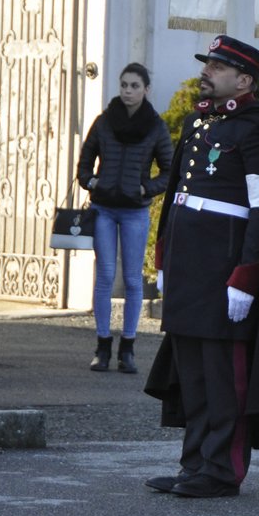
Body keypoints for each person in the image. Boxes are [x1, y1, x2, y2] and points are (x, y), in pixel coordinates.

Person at [142, 36, 259, 497]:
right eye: (209, 63)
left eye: (219, 66)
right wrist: (164, 258)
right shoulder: (200, 120)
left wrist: (247, 275)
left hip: (224, 269)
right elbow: (178, 190)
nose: (208, 71)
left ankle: (222, 469)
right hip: (189, 265)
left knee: (223, 378)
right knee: (192, 374)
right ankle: (194, 463)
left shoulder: (256, 128)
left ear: (244, 79)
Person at [76, 62, 173, 373]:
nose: (128, 91)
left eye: (134, 86)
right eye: (124, 85)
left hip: (134, 211)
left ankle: (128, 348)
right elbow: (84, 164)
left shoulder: (155, 126)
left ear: (146, 90)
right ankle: (102, 346)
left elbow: (170, 171)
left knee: (132, 279)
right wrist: (92, 183)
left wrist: (146, 188)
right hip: (103, 208)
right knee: (104, 275)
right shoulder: (104, 122)